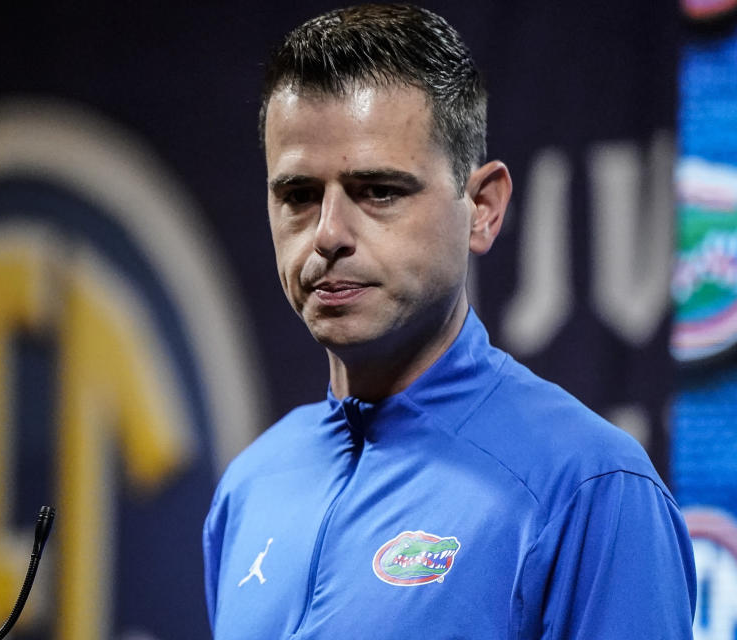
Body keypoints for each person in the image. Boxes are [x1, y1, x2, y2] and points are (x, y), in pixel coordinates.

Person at [203, 4, 696, 639]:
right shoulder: (249, 487)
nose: (327, 235)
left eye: (379, 191)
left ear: (484, 208)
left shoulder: (591, 490)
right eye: (298, 196)